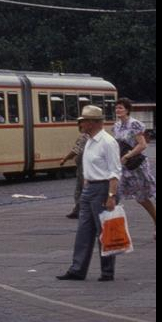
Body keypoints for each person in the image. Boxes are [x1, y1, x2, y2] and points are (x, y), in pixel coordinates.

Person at [57, 105, 122, 282]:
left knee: (104, 232)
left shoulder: (107, 142)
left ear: (93, 123)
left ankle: (107, 271)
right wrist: (86, 181)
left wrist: (111, 196)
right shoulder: (89, 140)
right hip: (89, 188)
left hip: (102, 189)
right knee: (83, 231)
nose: (81, 124)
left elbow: (115, 171)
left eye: (83, 121)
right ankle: (77, 269)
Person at [113, 98, 156, 237]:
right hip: (123, 166)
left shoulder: (134, 124)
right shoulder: (117, 126)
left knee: (142, 198)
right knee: (115, 194)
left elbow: (142, 145)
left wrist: (128, 155)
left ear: (127, 110)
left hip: (136, 166)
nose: (117, 110)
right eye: (116, 107)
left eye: (120, 107)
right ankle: (112, 227)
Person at [58, 123, 90, 219]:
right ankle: (80, 209)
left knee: (80, 188)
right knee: (83, 188)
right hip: (85, 164)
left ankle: (80, 210)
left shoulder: (84, 136)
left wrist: (65, 159)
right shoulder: (92, 136)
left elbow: (75, 150)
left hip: (83, 165)